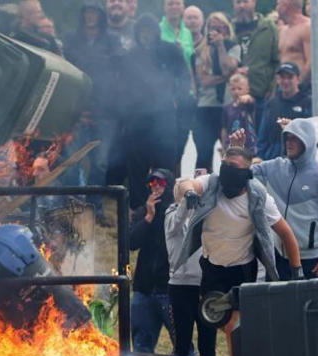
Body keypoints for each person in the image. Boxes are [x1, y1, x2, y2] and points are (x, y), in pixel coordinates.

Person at [173, 146, 302, 356]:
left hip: (242, 269)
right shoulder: (212, 184)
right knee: (208, 328)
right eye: (226, 165)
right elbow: (184, 185)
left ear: (247, 173)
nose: (228, 172)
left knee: (236, 329)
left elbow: (287, 234)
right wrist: (187, 192)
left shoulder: (258, 197)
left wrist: (296, 273)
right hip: (212, 267)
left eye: (235, 167)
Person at [236, 118, 318, 279]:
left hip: (312, 262)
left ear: (307, 142)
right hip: (277, 258)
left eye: (295, 138)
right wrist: (236, 149)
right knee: (276, 304)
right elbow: (239, 174)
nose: (289, 143)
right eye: (287, 138)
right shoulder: (274, 167)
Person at [130, 169, 198, 356]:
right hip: (143, 290)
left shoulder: (177, 212)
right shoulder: (143, 211)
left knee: (183, 344)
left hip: (170, 289)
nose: (155, 187)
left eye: (160, 182)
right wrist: (148, 217)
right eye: (151, 183)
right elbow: (130, 243)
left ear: (168, 185)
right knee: (141, 347)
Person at [117, 14, 190, 208]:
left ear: (156, 33)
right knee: (136, 169)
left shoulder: (170, 50)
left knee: (165, 167)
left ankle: (166, 208)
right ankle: (138, 210)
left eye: (150, 32)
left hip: (164, 118)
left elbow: (184, 77)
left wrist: (178, 99)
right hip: (136, 121)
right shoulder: (130, 56)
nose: (146, 36)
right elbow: (121, 87)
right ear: (137, 33)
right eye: (143, 32)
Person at [63, 0, 122, 220]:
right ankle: (70, 207)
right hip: (75, 108)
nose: (91, 17)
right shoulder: (70, 39)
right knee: (71, 161)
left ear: (100, 16)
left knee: (100, 162)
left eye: (94, 13)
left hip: (105, 109)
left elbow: (118, 74)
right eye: (87, 13)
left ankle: (95, 207)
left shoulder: (112, 40)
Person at [165, 177, 206, 356]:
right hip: (180, 286)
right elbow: (179, 221)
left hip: (203, 285)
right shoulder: (171, 213)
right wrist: (185, 201)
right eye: (185, 192)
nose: (191, 196)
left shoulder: (202, 214)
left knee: (205, 342)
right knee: (182, 343)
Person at [192, 13, 240, 171]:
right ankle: (201, 190)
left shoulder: (233, 46)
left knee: (231, 152)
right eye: (212, 28)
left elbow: (228, 67)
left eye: (220, 28)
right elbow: (204, 80)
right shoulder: (200, 51)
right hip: (205, 107)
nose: (216, 31)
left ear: (226, 28)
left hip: (227, 106)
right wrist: (227, 76)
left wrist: (220, 47)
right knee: (203, 154)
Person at [232, 0, 280, 128]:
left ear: (254, 2)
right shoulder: (229, 28)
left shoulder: (268, 27)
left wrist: (272, 88)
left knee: (260, 140)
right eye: (238, 2)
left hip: (261, 94)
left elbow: (277, 60)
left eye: (245, 1)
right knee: (236, 142)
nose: (241, 6)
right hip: (233, 97)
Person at [256, 63, 311, 160]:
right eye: (282, 77)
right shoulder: (271, 104)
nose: (285, 81)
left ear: (298, 79)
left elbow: (312, 134)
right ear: (277, 80)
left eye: (290, 77)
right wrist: (260, 157)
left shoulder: (308, 103)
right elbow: (262, 137)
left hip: (298, 162)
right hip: (273, 161)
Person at [222, 74, 257, 156]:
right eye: (233, 89)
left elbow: (251, 101)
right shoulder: (227, 108)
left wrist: (248, 98)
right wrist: (224, 146)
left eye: (239, 89)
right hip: (232, 145)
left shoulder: (248, 105)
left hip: (249, 145)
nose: (236, 91)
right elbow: (224, 128)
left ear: (247, 89)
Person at [277, 0, 311, 76]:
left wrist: (300, 84)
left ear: (285, 6)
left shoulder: (307, 27)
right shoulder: (282, 30)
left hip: (301, 83)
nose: (276, 8)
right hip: (284, 84)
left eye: (278, 4)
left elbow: (311, 62)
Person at [160, 0, 194, 64]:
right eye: (170, 4)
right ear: (164, 7)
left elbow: (191, 62)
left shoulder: (187, 33)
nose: (174, 7)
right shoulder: (157, 31)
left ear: (183, 7)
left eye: (178, 4)